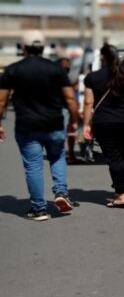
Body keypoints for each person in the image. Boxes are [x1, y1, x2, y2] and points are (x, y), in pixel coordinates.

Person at [0, 31, 79, 221]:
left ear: (23, 48)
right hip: (54, 124)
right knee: (58, 157)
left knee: (33, 166)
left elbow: (1, 101)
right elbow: (70, 98)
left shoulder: (12, 70)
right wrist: (74, 120)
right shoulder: (56, 69)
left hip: (27, 127)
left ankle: (39, 209)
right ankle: (61, 192)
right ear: (44, 47)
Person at [83, 44, 124, 208]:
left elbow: (88, 102)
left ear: (102, 58)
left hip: (104, 123)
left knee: (114, 157)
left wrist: (86, 124)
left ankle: (120, 194)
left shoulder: (92, 78)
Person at [57, 57, 78, 164]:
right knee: (62, 133)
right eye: (64, 64)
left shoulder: (70, 76)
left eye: (67, 64)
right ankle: (62, 155)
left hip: (69, 108)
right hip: (62, 108)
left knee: (71, 133)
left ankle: (71, 154)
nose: (66, 66)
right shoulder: (56, 77)